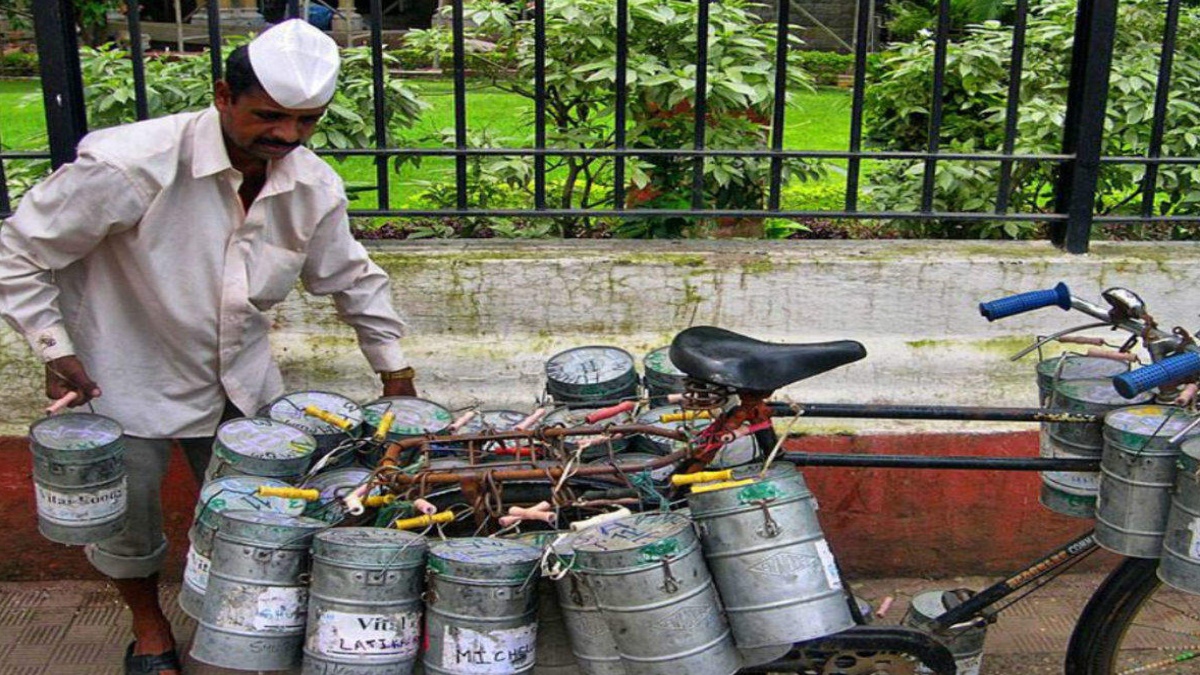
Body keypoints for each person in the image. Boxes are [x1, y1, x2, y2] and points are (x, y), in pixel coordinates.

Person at [0, 20, 415, 675]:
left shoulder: (311, 186)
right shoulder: (130, 164)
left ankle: (251, 636)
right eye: (268, 116)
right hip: (123, 379)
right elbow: (20, 250)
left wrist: (398, 378)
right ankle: (150, 630)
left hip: (243, 387)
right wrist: (54, 347)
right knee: (128, 528)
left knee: (271, 521)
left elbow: (352, 279)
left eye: (306, 121)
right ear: (223, 95)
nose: (287, 136)